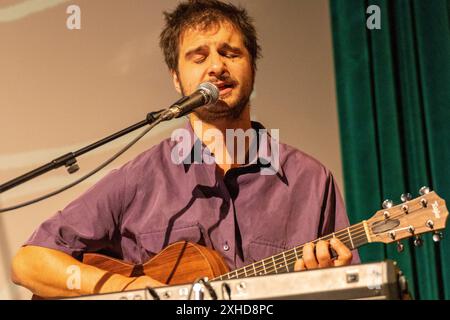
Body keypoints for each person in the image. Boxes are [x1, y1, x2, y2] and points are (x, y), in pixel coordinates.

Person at [11, 0, 359, 298]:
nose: (216, 66)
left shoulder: (311, 181)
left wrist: (336, 282)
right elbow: (29, 262)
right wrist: (125, 289)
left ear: (252, 66)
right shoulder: (141, 178)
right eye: (198, 56)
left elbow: (355, 289)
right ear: (176, 78)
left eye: (230, 52)